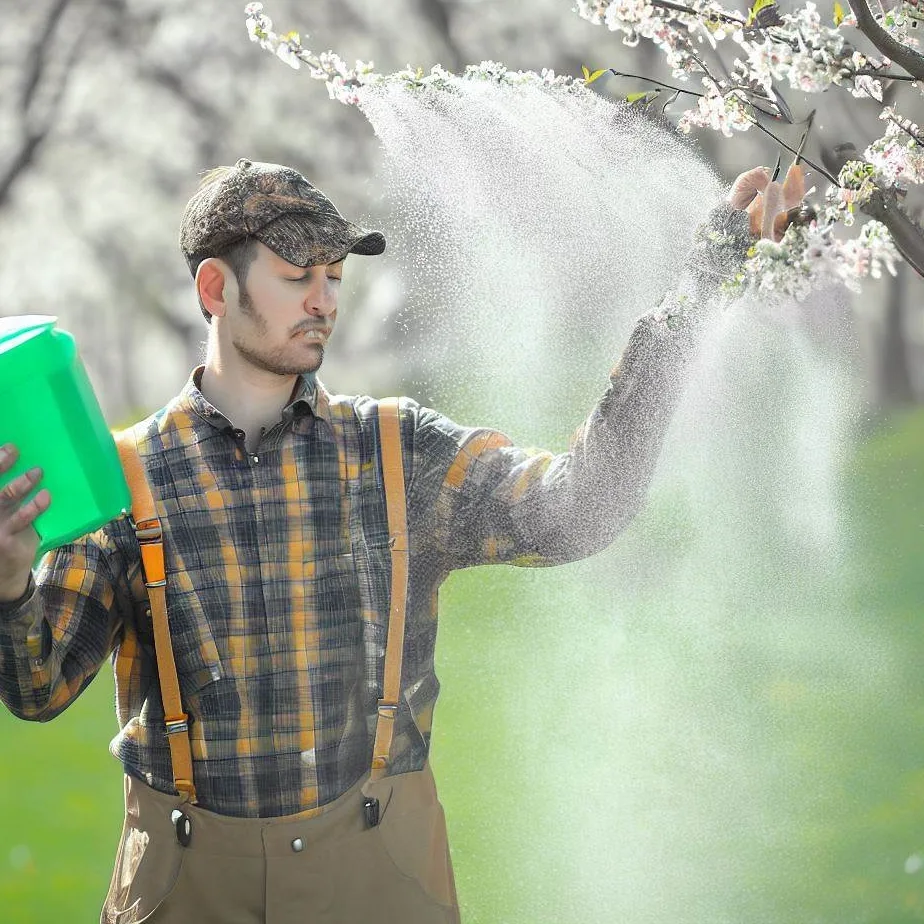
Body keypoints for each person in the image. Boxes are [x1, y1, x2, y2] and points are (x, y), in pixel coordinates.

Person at [0, 157, 765, 923]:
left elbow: (582, 508)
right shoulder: (122, 478)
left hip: (379, 876)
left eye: (335, 276)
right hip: (187, 885)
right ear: (214, 289)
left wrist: (694, 296)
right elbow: (37, 689)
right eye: (299, 274)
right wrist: (6, 579)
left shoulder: (399, 451)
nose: (324, 300)